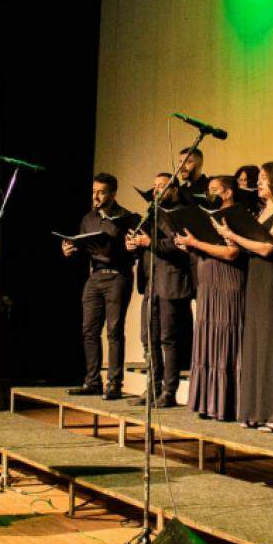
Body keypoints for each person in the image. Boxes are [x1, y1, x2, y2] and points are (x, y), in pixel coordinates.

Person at [219, 162, 273, 431]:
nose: (259, 183)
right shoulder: (263, 211)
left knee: (272, 344)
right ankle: (254, 410)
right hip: (256, 278)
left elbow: (267, 247)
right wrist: (230, 237)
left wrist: (234, 236)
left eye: (264, 179)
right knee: (255, 343)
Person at [178, 175, 245, 421]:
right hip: (207, 282)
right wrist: (190, 245)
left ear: (228, 193)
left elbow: (232, 252)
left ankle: (227, 403)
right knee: (208, 338)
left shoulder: (236, 215)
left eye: (215, 190)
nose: (210, 194)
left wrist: (196, 242)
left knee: (225, 337)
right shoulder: (208, 216)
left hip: (226, 281)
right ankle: (207, 402)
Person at [62, 173, 134, 400]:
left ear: (112, 193)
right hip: (94, 277)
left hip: (117, 277)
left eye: (101, 192)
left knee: (114, 331)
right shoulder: (88, 218)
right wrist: (70, 251)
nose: (96, 196)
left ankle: (114, 384)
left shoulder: (125, 217)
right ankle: (92, 381)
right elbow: (85, 247)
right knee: (89, 331)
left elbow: (125, 250)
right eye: (94, 191)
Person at [126, 173, 193, 407]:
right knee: (149, 339)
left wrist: (149, 243)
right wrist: (134, 245)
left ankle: (169, 391)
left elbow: (177, 244)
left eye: (162, 187)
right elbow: (144, 244)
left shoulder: (180, 213)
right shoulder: (151, 213)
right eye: (154, 187)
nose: (156, 191)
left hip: (170, 282)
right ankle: (152, 388)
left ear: (174, 189)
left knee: (168, 339)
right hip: (151, 282)